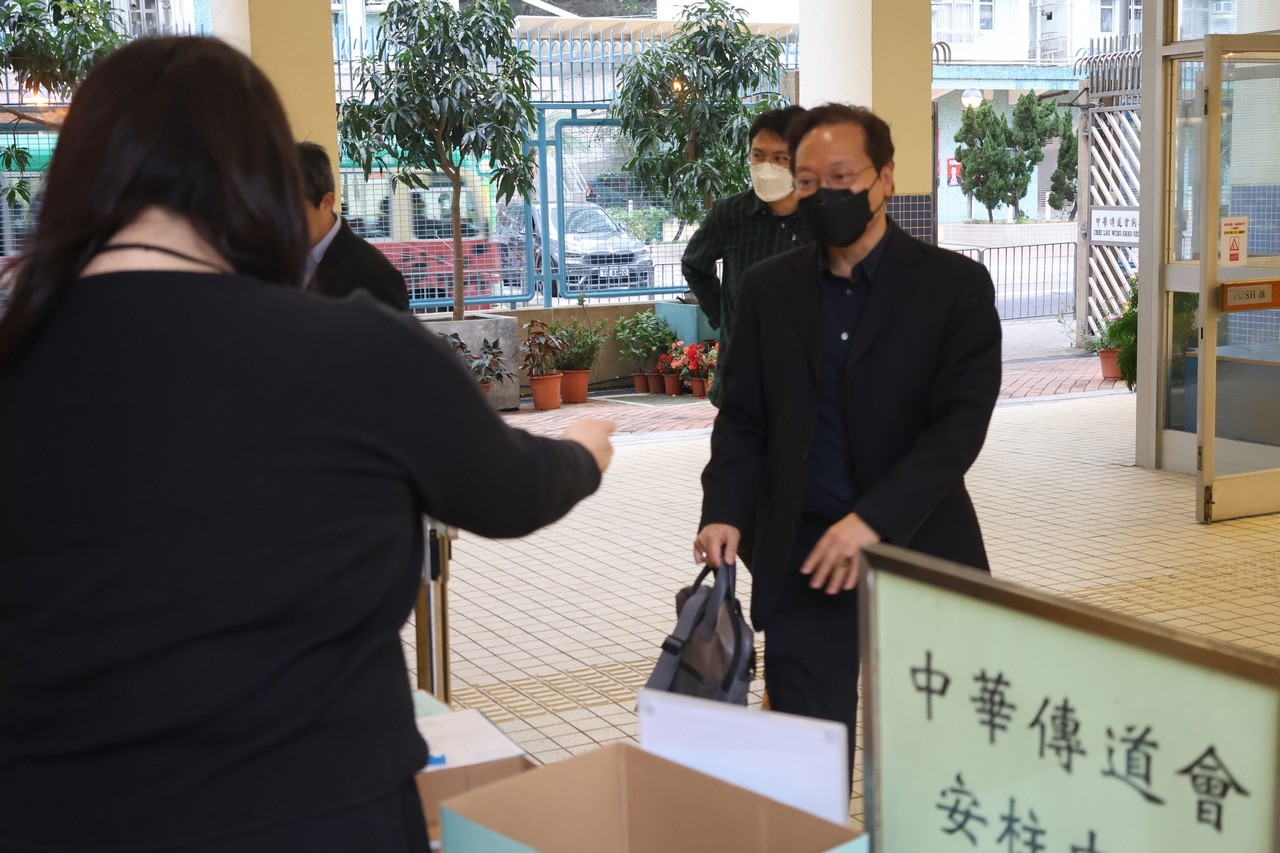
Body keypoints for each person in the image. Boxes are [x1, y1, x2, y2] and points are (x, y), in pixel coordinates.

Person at [0, 36, 615, 852]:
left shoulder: (21, 355)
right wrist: (584, 448)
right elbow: (510, 490)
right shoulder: (355, 347)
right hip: (323, 814)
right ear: (258, 176)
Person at [692, 103, 1001, 780]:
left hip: (921, 550)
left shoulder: (953, 287)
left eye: (841, 177)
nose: (822, 193)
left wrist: (873, 520)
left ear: (885, 177)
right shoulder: (768, 290)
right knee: (809, 763)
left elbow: (957, 430)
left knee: (931, 763)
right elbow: (742, 418)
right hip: (805, 559)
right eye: (807, 181)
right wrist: (724, 509)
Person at [680, 105, 812, 407]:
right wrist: (724, 315)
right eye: (758, 156)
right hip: (742, 376)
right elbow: (695, 263)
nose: (766, 166)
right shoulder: (730, 213)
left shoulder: (824, 218)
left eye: (780, 158)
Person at [298, 140, 411, 311]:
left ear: (327, 202)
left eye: (293, 210)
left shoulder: (374, 277)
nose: (280, 221)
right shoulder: (270, 261)